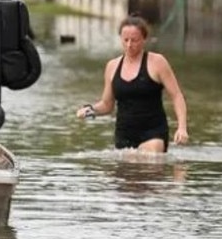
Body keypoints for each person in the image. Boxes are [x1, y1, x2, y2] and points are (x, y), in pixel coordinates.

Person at [75, 14, 189, 153]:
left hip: (153, 133)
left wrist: (182, 128)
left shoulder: (157, 62)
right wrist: (90, 110)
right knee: (127, 172)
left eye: (134, 40)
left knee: (150, 162)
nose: (129, 45)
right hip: (124, 135)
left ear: (144, 39)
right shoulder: (112, 66)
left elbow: (177, 96)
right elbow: (107, 104)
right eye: (125, 40)